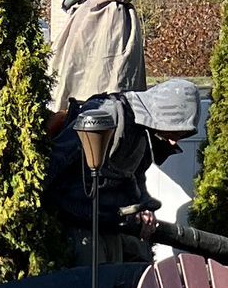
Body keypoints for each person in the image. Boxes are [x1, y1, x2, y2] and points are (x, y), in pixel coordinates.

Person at [43, 79, 201, 265]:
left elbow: (135, 176)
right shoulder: (107, 114)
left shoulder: (147, 133)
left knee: (135, 267)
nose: (175, 142)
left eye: (182, 135)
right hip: (76, 218)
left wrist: (143, 206)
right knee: (93, 273)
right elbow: (56, 160)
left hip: (108, 220)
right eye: (176, 132)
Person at [45, 0, 147, 133]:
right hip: (111, 113)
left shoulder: (93, 8)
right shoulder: (127, 13)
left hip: (84, 108)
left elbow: (72, 61)